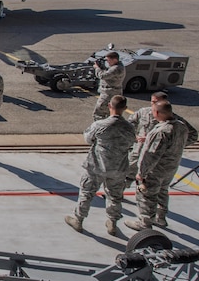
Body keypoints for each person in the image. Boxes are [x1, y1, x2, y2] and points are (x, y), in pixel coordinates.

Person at [64, 95, 136, 236]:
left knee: (87, 192)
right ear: (125, 109)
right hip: (118, 168)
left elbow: (88, 139)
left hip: (97, 166)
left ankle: (78, 220)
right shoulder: (129, 128)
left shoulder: (100, 125)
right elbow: (131, 143)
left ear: (110, 106)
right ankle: (112, 223)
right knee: (114, 197)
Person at [125, 101, 192, 231]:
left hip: (156, 170)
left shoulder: (161, 131)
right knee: (163, 191)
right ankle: (160, 218)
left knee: (146, 195)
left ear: (157, 113)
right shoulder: (182, 126)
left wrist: (141, 173)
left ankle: (144, 222)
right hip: (171, 168)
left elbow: (151, 155)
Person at [126, 92, 197, 187]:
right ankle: (116, 195)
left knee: (151, 187)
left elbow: (193, 135)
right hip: (138, 153)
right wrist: (134, 137)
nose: (153, 104)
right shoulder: (144, 112)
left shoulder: (174, 120)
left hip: (158, 159)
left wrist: (175, 146)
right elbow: (129, 123)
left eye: (156, 102)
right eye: (152, 101)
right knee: (127, 175)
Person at [92, 51, 124, 120]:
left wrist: (97, 68)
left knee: (99, 113)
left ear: (115, 60)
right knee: (109, 114)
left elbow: (102, 75)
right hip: (110, 92)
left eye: (109, 60)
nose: (108, 62)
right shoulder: (115, 66)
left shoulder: (116, 68)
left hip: (109, 94)